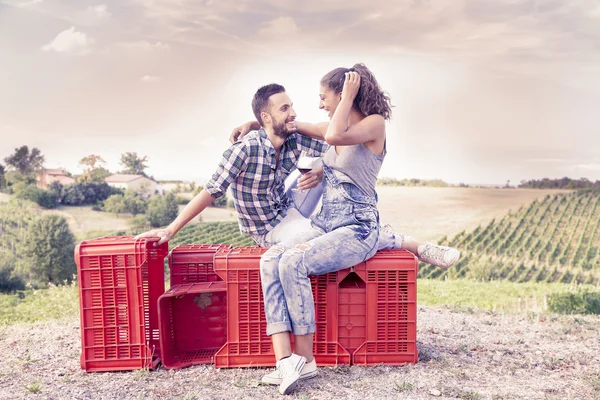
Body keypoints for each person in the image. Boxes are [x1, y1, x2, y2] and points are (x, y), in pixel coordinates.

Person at [239, 64, 461, 396]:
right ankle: (285, 362)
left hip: (357, 228)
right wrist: (256, 124)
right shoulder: (334, 126)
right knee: (271, 259)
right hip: (327, 224)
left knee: (292, 262)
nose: (320, 104)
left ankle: (305, 359)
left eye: (324, 97)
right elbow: (296, 125)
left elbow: (332, 135)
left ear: (344, 95)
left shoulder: (373, 125)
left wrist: (348, 97)